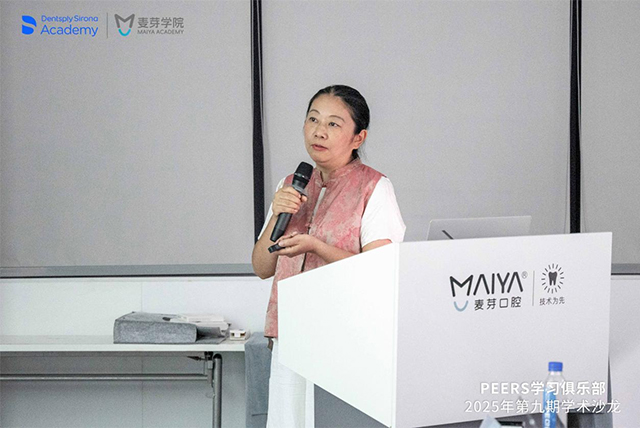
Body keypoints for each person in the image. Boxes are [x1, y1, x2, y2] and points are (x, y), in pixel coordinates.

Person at [251, 85, 405, 428]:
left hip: (346, 338)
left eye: (334, 124)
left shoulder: (374, 187)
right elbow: (262, 267)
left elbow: (381, 270)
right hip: (291, 334)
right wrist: (276, 214)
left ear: (358, 137)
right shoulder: (291, 185)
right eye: (313, 119)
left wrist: (317, 246)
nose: (319, 131)